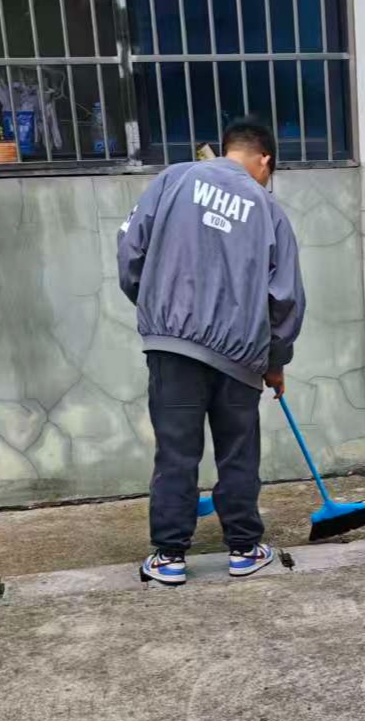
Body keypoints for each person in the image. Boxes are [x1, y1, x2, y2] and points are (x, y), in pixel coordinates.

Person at [117, 118, 305, 584]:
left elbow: (130, 250)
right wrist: (275, 362)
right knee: (238, 452)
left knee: (176, 452)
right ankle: (244, 549)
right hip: (239, 356)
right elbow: (284, 298)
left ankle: (169, 558)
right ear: (264, 160)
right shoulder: (268, 208)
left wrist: (158, 307)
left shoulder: (173, 180)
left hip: (172, 347)